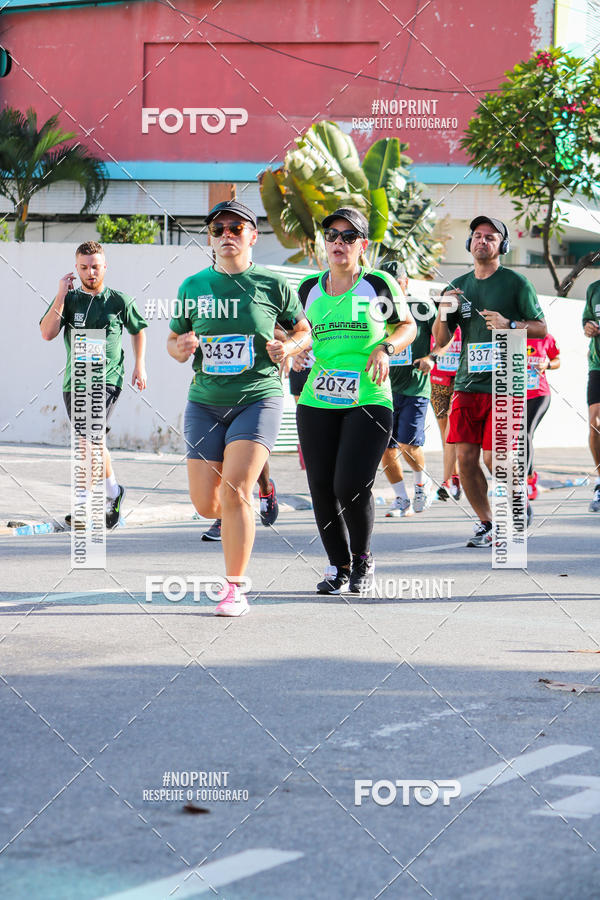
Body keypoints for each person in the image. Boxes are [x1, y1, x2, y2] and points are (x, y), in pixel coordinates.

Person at [167, 200, 310, 616]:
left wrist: (289, 346)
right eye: (218, 229)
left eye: (235, 227)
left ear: (252, 235)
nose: (226, 234)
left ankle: (235, 588)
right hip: (205, 403)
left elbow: (304, 331)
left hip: (258, 398)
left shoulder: (272, 283)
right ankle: (264, 491)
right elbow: (172, 342)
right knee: (206, 505)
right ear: (211, 238)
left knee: (234, 491)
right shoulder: (193, 286)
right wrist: (182, 347)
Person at [296, 207, 416, 594]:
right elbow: (302, 334)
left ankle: (363, 558)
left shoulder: (377, 284)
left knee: (350, 483)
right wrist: (296, 349)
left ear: (362, 246)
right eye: (331, 235)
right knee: (320, 486)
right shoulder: (308, 288)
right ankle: (338, 566)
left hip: (369, 396)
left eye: (348, 237)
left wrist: (385, 348)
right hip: (318, 398)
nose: (338, 243)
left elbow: (407, 325)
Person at [432, 216, 546, 547]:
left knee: (493, 458)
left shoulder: (516, 283)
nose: (483, 241)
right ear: (470, 244)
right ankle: (488, 523)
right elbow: (440, 341)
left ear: (502, 246)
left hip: (505, 384)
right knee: (465, 460)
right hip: (467, 385)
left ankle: (517, 498)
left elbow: (541, 328)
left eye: (491, 237)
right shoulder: (456, 287)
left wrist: (510, 324)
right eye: (478, 236)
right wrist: (443, 311)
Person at [40, 240, 148, 530]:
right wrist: (60, 294)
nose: (90, 272)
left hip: (107, 381)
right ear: (76, 268)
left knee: (87, 442)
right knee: (95, 443)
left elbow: (138, 331)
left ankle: (82, 508)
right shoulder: (70, 300)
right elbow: (47, 333)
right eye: (84, 267)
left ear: (105, 267)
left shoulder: (119, 301)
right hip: (73, 384)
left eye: (95, 267)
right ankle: (114, 492)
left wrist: (140, 365)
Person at [378, 261, 443, 517]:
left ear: (405, 283)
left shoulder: (422, 307)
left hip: (415, 387)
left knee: (407, 443)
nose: (391, 288)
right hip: (382, 388)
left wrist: (432, 357)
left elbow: (445, 338)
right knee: (385, 447)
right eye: (386, 283)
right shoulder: (372, 309)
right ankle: (401, 499)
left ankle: (421, 483)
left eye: (396, 282)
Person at [430, 324, 462, 502]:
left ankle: (447, 481)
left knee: (451, 431)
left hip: (458, 382)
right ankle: (454, 477)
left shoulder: (466, 321)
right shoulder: (435, 322)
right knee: (445, 435)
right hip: (437, 382)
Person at [526, 334, 560, 500]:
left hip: (539, 394)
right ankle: (523, 476)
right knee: (516, 437)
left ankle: (529, 479)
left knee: (525, 433)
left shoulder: (545, 337)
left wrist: (547, 364)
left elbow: (557, 360)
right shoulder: (510, 336)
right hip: (515, 395)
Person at [582, 281, 600, 511]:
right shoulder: (594, 288)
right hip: (598, 365)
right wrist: (588, 327)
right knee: (595, 423)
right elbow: (586, 319)